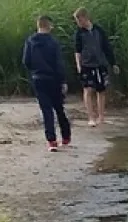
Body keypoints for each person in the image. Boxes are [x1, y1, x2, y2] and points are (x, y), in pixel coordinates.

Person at [22, 15, 73, 152]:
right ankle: (66, 136)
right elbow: (59, 63)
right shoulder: (53, 42)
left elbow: (26, 61)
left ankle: (51, 141)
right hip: (54, 79)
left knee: (46, 110)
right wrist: (63, 81)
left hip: (38, 78)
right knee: (59, 108)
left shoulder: (30, 41)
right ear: (48, 25)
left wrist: (34, 70)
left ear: (38, 25)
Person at [72, 7, 119, 127]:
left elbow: (106, 47)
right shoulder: (79, 33)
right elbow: (77, 50)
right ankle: (91, 117)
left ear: (85, 17)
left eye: (79, 19)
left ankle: (101, 116)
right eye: (77, 20)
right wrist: (78, 65)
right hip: (86, 65)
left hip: (100, 63)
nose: (78, 22)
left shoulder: (99, 30)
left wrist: (113, 63)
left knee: (101, 90)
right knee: (87, 90)